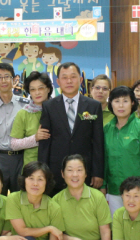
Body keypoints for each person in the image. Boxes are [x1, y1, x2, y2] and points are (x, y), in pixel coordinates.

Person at [38, 62, 104, 195]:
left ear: (80, 80)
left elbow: (98, 142)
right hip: (56, 171)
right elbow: (45, 143)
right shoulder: (49, 106)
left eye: (73, 77)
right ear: (58, 82)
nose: (69, 81)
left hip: (84, 170)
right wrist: (43, 173)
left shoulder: (93, 106)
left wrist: (98, 172)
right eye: (64, 77)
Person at [103, 86, 140, 216]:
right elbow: (103, 159)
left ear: (132, 103)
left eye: (125, 101)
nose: (121, 105)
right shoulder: (107, 129)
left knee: (137, 225)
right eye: (116, 101)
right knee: (116, 225)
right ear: (111, 104)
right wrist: (103, 185)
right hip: (114, 190)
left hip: (137, 190)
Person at [0, 63, 30, 195]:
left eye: (7, 76)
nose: (3, 80)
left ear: (14, 80)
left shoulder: (26, 105)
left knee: (21, 196)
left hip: (20, 159)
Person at [10, 71, 52, 169]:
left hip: (55, 164)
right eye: (32, 89)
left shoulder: (58, 110)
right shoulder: (23, 113)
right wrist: (35, 138)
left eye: (40, 88)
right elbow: (14, 144)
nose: (37, 93)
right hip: (32, 167)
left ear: (48, 89)